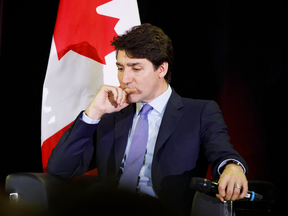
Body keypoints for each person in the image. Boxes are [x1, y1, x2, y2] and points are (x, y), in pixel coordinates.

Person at [47, 23, 248, 216]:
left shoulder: (199, 112)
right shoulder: (112, 113)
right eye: (120, 68)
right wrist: (93, 113)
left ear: (161, 69)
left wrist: (233, 167)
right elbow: (60, 168)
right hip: (109, 207)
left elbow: (223, 152)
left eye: (135, 68)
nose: (125, 79)